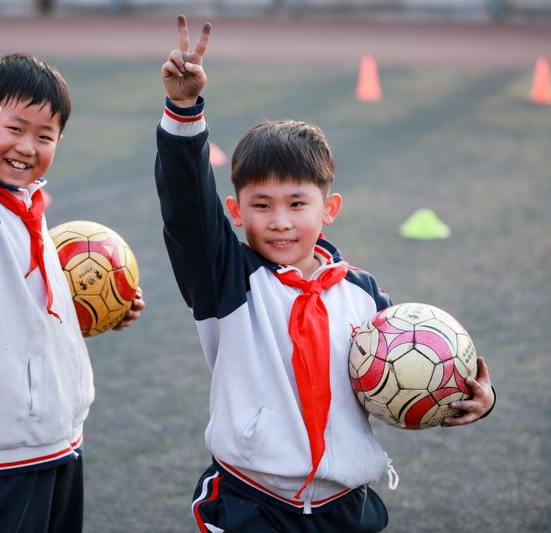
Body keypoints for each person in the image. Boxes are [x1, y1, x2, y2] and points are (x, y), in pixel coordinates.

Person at [154, 16, 495, 532]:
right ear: (236, 211)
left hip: (346, 509)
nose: (281, 221)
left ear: (329, 207)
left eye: (297, 203)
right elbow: (186, 211)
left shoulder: (362, 294)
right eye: (262, 205)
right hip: (252, 504)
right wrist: (184, 112)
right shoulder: (227, 279)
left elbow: (408, 373)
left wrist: (474, 399)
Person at [0, 46, 145, 533]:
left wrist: (97, 311)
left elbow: (23, 310)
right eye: (13, 128)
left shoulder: (29, 208)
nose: (26, 146)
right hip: (6, 449)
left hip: (61, 435)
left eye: (45, 136)